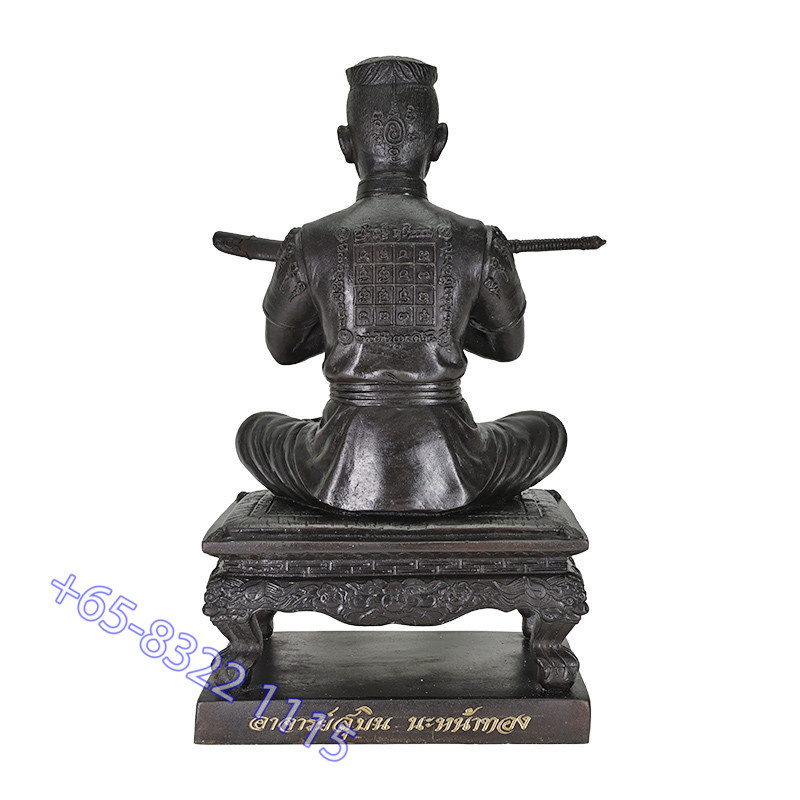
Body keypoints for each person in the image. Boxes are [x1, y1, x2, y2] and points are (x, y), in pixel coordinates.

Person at [236, 56, 566, 513]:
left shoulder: (309, 241)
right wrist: (445, 323)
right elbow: (508, 347)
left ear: (346, 143)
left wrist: (348, 326)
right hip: (455, 464)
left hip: (336, 463)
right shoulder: (479, 240)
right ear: (439, 142)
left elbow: (283, 350)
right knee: (546, 430)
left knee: (256, 431)